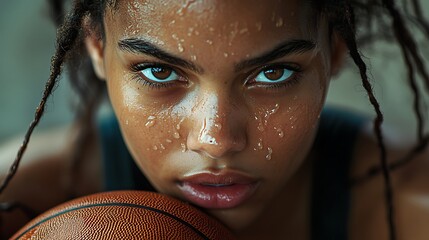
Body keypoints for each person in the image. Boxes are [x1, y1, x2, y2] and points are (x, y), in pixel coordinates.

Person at [1, 0, 429, 239]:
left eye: (272, 73)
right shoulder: (20, 200)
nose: (216, 139)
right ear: (97, 46)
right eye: (160, 71)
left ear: (335, 50)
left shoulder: (410, 215)